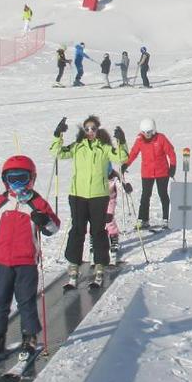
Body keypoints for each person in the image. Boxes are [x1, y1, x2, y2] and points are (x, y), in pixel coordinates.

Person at [0, 155, 60, 364]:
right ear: (5, 180)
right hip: (2, 260)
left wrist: (44, 220)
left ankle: (29, 336)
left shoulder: (37, 202)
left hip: (26, 260)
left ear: (31, 179)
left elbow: (53, 227)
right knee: (0, 300)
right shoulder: (1, 201)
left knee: (26, 301)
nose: (17, 184)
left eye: (22, 178)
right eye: (11, 178)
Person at [50, 116, 129, 288]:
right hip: (78, 195)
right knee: (77, 230)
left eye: (93, 128)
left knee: (98, 231)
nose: (90, 132)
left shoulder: (104, 148)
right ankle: (74, 266)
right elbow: (57, 152)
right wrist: (58, 135)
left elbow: (121, 158)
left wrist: (122, 141)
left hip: (99, 195)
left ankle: (100, 266)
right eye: (87, 129)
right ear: (83, 131)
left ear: (98, 129)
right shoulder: (77, 147)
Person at [124, 118, 177, 228]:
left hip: (162, 171)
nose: (146, 135)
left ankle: (166, 218)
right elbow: (133, 153)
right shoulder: (140, 140)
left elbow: (171, 152)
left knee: (163, 194)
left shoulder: (161, 138)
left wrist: (172, 166)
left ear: (153, 130)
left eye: (148, 132)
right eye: (144, 132)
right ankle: (143, 219)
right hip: (147, 172)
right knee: (145, 195)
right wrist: (126, 164)